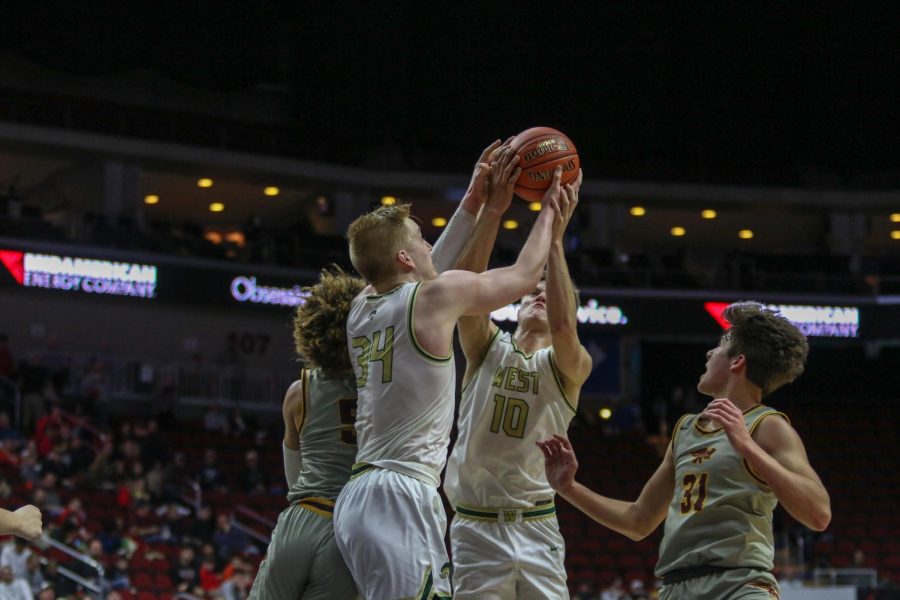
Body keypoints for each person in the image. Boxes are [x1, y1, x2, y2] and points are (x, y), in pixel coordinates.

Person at [333, 139, 569, 599]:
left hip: (361, 494)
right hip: (401, 493)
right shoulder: (433, 299)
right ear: (404, 258)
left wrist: (479, 202)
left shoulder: (361, 307)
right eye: (420, 240)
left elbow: (426, 269)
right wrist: (551, 214)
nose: (428, 246)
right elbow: (523, 276)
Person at [538, 302, 832, 600]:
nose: (709, 353)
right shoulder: (685, 430)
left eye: (721, 345)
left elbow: (818, 514)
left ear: (737, 362)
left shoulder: (766, 425)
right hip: (677, 587)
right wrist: (569, 488)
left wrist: (747, 446)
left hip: (739, 585)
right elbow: (638, 521)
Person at [443, 148, 591, 598]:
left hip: (536, 525)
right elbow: (464, 290)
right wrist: (493, 211)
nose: (539, 294)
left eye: (551, 291)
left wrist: (555, 240)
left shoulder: (569, 367)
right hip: (476, 527)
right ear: (518, 302)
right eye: (533, 290)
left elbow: (565, 327)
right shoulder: (487, 347)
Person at [248, 266, 365, 600]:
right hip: (349, 528)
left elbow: (294, 477)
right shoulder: (382, 392)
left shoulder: (299, 392)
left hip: (304, 515)